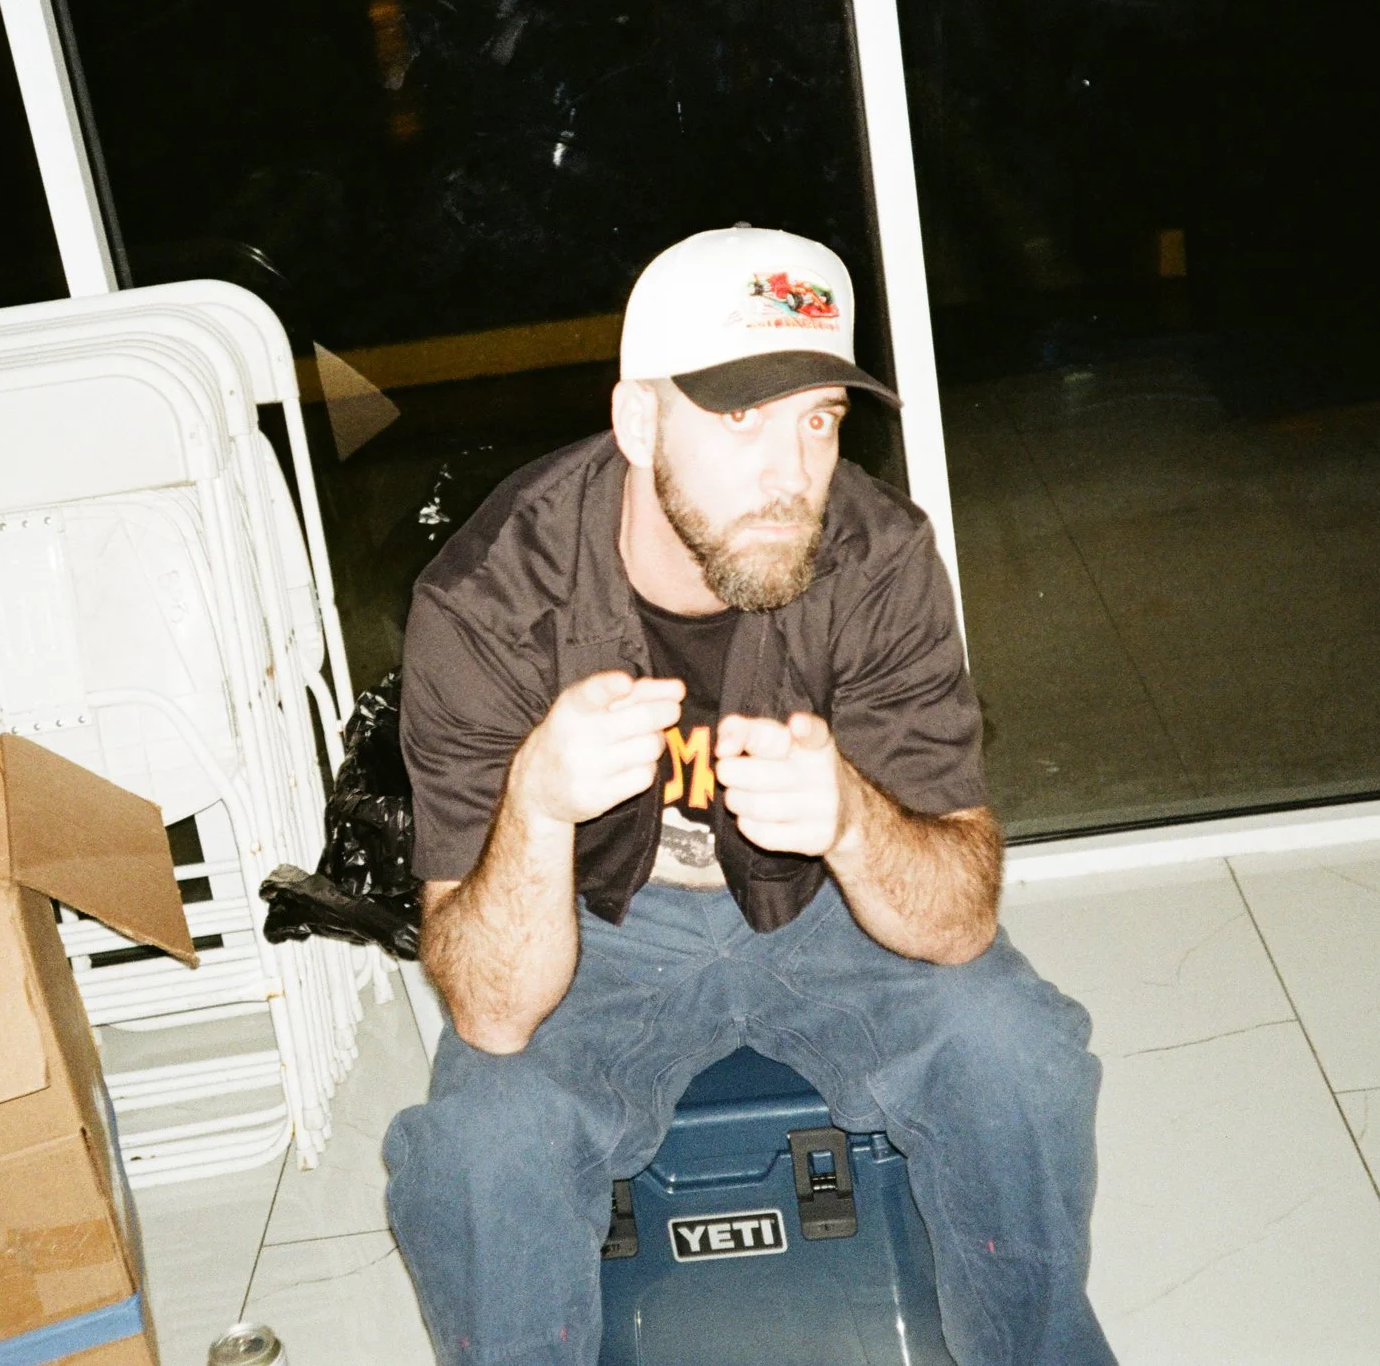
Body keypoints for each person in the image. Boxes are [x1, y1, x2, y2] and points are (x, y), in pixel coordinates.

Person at [383, 227, 1115, 1366]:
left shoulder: (876, 557)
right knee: (482, 1145)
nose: (792, 472)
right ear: (637, 422)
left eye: (818, 417)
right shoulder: (485, 603)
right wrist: (535, 803)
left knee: (1014, 1051)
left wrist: (849, 821)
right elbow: (491, 1008)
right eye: (739, 419)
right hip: (595, 926)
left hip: (820, 903)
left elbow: (960, 914)